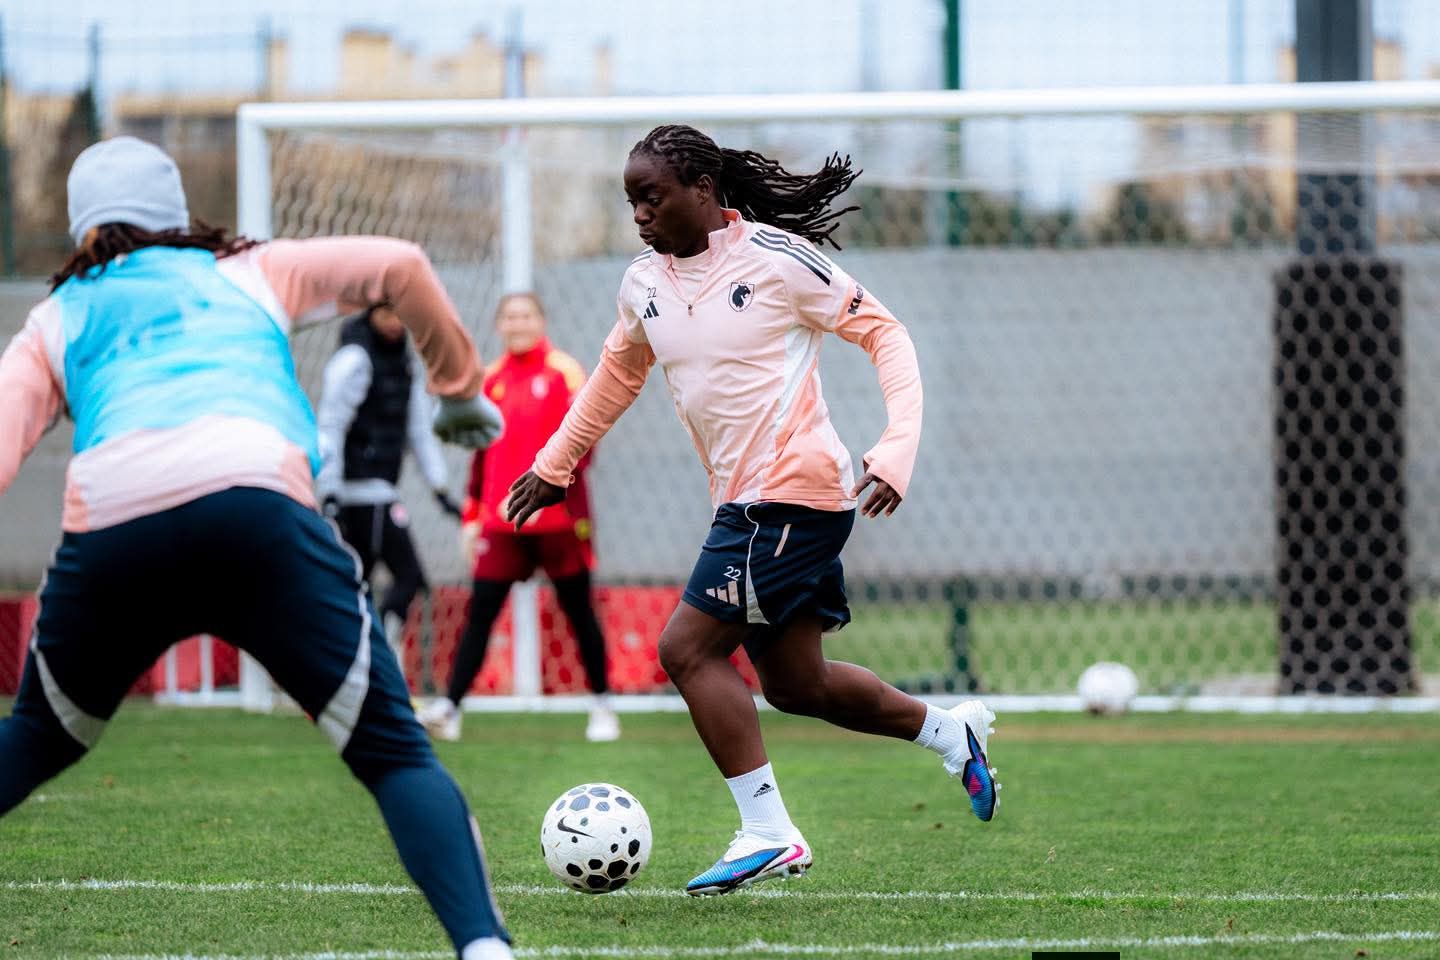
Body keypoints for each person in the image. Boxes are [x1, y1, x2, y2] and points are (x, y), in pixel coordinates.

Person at [0, 137, 512, 959]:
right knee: (391, 754)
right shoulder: (249, 267)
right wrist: (457, 392)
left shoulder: (55, 316)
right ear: (180, 214)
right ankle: (486, 949)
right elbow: (402, 263)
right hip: (258, 512)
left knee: (34, 738)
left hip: (116, 533)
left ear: (81, 228)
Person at [506, 125, 1000, 897]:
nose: (638, 213)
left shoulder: (775, 259)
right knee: (797, 685)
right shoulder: (642, 283)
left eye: (652, 196)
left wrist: (897, 445)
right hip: (743, 500)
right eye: (630, 199)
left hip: (792, 494)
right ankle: (949, 731)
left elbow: (886, 334)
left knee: (686, 651)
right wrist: (554, 466)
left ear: (703, 190)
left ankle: (769, 833)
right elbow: (616, 374)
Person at [419, 292, 619, 744]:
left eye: (526, 315)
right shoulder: (488, 380)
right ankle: (449, 708)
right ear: (499, 325)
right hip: (501, 522)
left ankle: (603, 705)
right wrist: (473, 514)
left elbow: (585, 442)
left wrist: (555, 494)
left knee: (578, 612)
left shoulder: (565, 372)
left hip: (560, 521)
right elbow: (479, 456)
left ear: (541, 321)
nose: (518, 323)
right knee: (481, 614)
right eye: (510, 316)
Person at [316, 304, 462, 655]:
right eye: (386, 314)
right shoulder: (353, 361)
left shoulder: (405, 363)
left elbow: (419, 431)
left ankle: (362, 656)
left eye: (401, 314)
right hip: (357, 496)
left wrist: (439, 489)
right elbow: (330, 425)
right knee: (403, 576)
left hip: (380, 492)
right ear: (370, 315)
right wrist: (329, 490)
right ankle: (375, 652)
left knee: (360, 583)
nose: (396, 323)